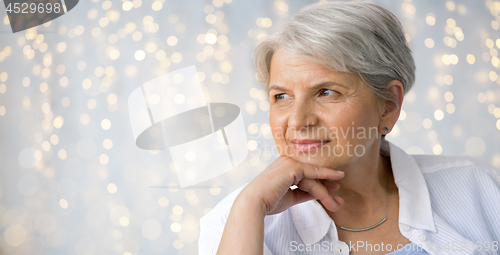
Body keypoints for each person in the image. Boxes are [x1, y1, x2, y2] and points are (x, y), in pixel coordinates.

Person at [198, 1, 500, 255]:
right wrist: (250, 204)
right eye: (282, 97)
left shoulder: (480, 187)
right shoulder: (236, 222)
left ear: (388, 104)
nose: (298, 121)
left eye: (326, 92)